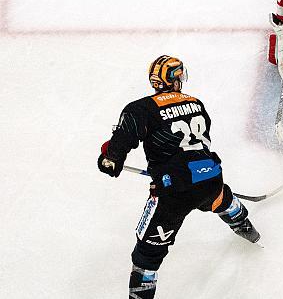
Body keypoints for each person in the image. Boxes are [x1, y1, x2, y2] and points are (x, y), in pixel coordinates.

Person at [97, 55, 260, 299]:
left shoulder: (140, 108)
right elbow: (201, 141)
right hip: (210, 176)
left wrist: (110, 159)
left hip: (174, 191)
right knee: (219, 197)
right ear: (175, 79)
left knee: (147, 256)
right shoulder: (196, 103)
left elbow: (118, 149)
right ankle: (248, 229)